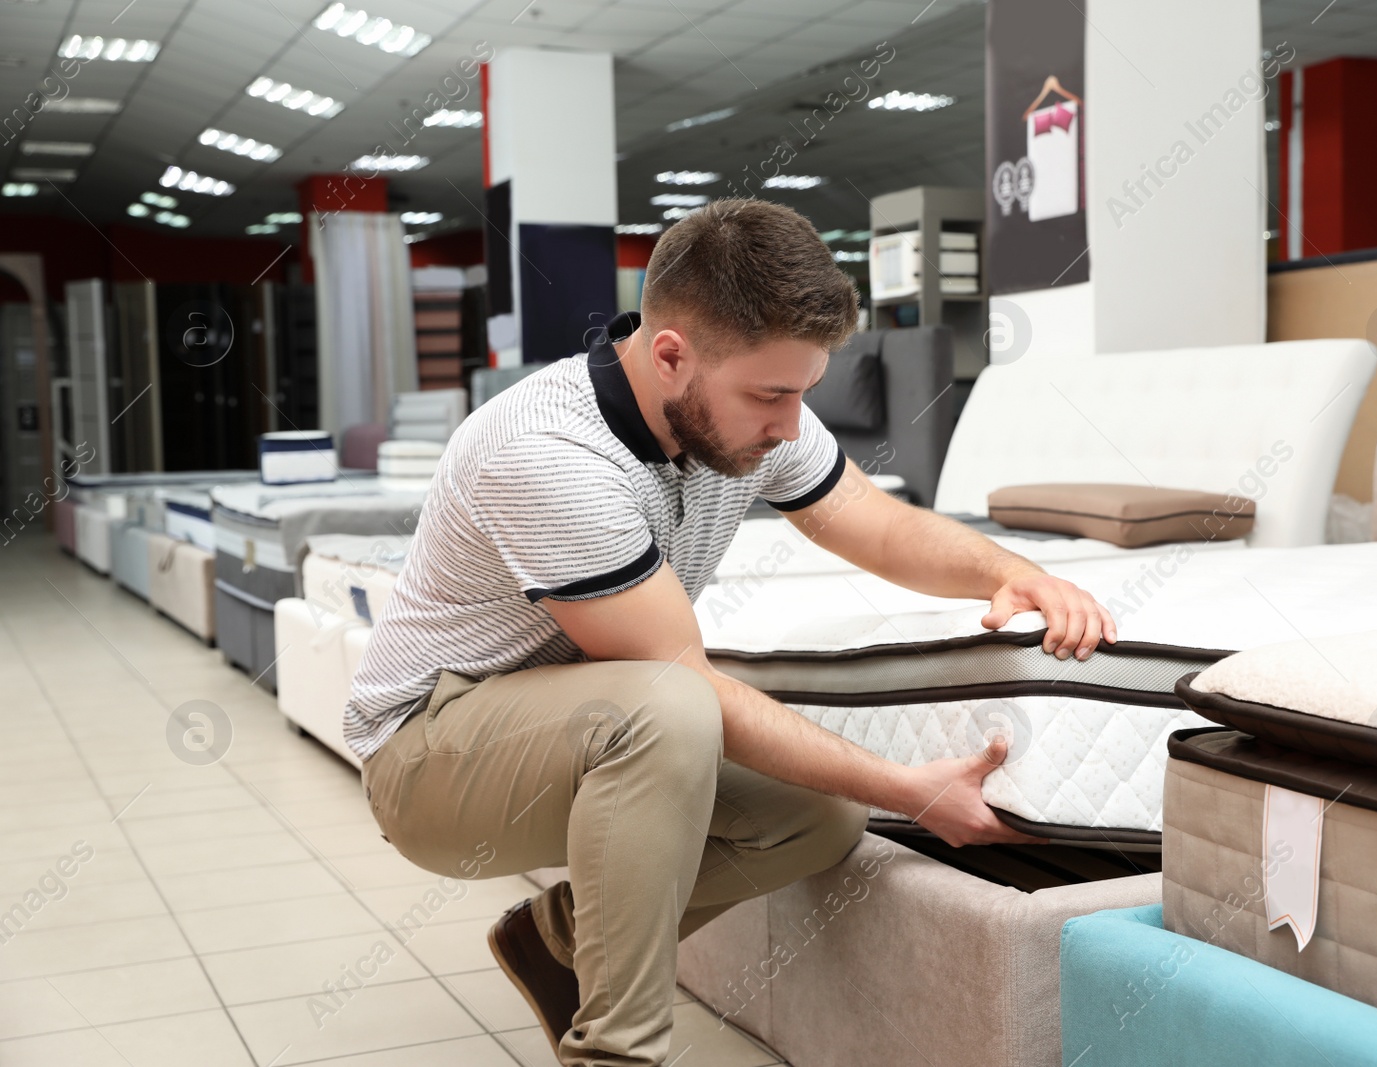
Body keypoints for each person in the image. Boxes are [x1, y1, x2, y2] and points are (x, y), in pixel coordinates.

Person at [347, 198, 1117, 1067]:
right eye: (772, 395)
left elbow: (870, 519)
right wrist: (913, 788)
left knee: (822, 813)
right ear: (671, 353)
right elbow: (686, 685)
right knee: (668, 707)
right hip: (427, 754)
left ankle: (556, 940)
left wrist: (1011, 572)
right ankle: (618, 1056)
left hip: (559, 724)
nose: (791, 423)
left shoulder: (740, 410)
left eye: (803, 391)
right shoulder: (548, 452)